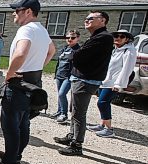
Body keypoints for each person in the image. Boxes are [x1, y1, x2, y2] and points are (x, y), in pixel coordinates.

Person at [0, 0, 55, 164]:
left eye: (17, 11)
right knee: (23, 122)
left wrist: (10, 73)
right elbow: (51, 51)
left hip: (20, 82)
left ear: (28, 12)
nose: (13, 14)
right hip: (34, 80)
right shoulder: (41, 29)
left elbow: (20, 53)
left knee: (10, 124)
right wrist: (38, 65)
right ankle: (15, 154)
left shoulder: (27, 29)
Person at [54, 11, 114, 156]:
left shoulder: (103, 37)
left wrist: (77, 55)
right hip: (80, 78)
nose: (86, 21)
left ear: (102, 21)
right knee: (74, 111)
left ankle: (77, 144)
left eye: (90, 19)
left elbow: (78, 56)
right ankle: (71, 136)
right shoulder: (96, 37)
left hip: (86, 80)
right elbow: (78, 56)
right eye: (86, 19)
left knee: (79, 113)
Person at [87, 29, 137, 138]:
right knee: (103, 102)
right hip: (105, 81)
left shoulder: (129, 51)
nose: (118, 38)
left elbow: (127, 69)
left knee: (102, 102)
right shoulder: (115, 50)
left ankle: (109, 129)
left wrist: (119, 84)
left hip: (114, 82)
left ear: (127, 39)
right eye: (116, 36)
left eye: (122, 36)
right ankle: (102, 124)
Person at [52, 30, 81, 124]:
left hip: (68, 77)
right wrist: (56, 73)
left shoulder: (78, 50)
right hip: (60, 75)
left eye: (72, 38)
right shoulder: (64, 48)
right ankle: (59, 111)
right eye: (68, 37)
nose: (70, 39)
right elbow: (59, 62)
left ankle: (64, 114)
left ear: (77, 38)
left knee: (62, 94)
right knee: (60, 95)